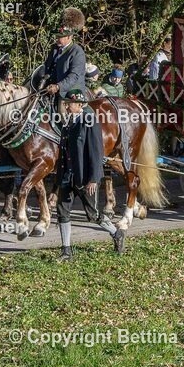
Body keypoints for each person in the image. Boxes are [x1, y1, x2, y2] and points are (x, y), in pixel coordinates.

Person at [53, 90, 124, 261]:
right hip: (66, 176)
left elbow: (96, 152)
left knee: (92, 215)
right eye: (65, 103)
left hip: (84, 178)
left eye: (68, 103)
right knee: (62, 211)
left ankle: (117, 233)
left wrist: (94, 179)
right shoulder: (67, 123)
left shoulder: (90, 121)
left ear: (79, 105)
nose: (66, 106)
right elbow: (63, 153)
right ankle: (66, 251)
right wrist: (55, 185)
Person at [43, 7, 88, 104]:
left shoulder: (77, 52)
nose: (57, 39)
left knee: (66, 112)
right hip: (52, 88)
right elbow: (47, 67)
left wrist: (58, 86)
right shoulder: (54, 49)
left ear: (69, 36)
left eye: (60, 37)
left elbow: (74, 76)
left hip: (72, 90)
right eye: (57, 37)